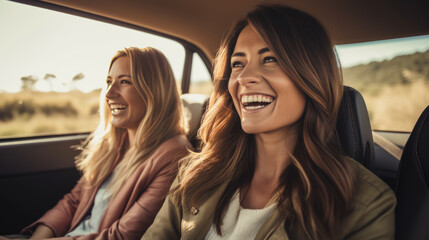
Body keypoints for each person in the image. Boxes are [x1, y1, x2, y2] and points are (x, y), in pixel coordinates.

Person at [142, 5, 396, 240]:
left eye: (270, 59)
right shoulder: (194, 173)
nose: (244, 77)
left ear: (311, 75)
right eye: (238, 64)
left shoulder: (366, 202)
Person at [16, 47, 190, 239]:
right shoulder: (113, 144)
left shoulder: (174, 156)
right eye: (109, 82)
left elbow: (122, 236)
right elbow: (73, 202)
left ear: (155, 91)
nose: (108, 94)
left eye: (124, 81)